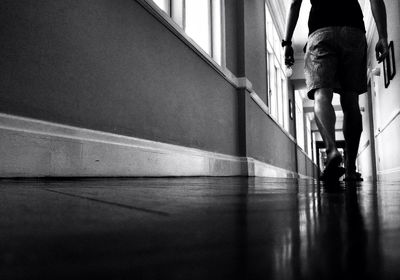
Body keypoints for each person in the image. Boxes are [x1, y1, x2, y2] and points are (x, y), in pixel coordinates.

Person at [283, 0, 389, 181]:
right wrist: (382, 36)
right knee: (351, 100)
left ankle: (332, 150)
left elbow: (294, 4)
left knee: (321, 95)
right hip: (353, 30)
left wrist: (287, 43)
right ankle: (349, 170)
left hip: (320, 30)